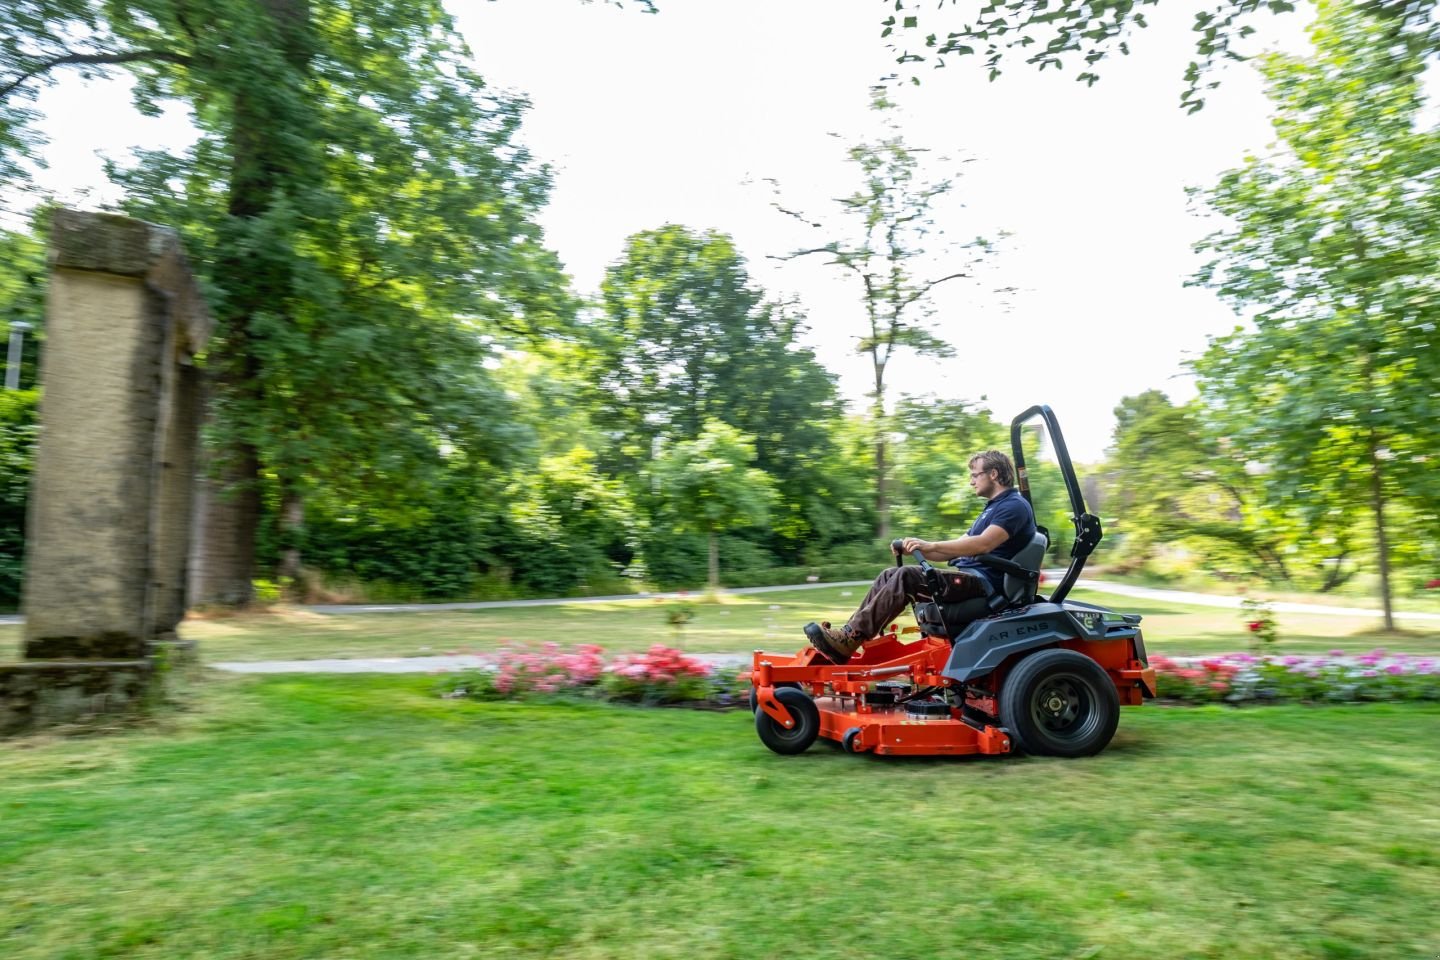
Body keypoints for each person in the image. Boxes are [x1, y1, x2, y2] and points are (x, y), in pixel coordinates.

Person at [804, 449, 1037, 664]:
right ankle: (847, 637)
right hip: (971, 578)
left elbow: (984, 544)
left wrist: (930, 545)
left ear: (993, 474)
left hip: (986, 584)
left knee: (906, 576)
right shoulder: (993, 508)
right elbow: (954, 547)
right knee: (889, 575)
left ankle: (849, 639)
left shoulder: (1014, 506)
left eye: (975, 475)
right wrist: (918, 547)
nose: (971, 481)